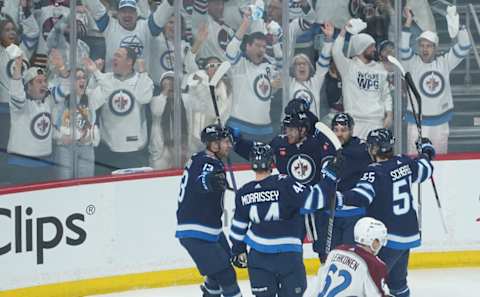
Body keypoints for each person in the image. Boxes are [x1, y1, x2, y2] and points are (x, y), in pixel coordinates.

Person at [335, 128, 436, 297]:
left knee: (369, 283)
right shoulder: (404, 162)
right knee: (398, 284)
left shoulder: (375, 171)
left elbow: (361, 197)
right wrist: (426, 151)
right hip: (409, 235)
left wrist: (338, 198)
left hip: (387, 237)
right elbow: (425, 169)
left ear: (375, 148)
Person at [229, 142, 338, 297]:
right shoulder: (285, 183)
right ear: (271, 162)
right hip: (288, 256)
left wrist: (237, 251)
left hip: (258, 258)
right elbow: (314, 201)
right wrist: (330, 176)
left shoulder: (243, 193)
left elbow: (237, 229)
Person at [175, 124, 243, 297]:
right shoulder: (208, 163)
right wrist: (209, 181)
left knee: (216, 274)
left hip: (210, 230)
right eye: (225, 141)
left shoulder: (200, 158)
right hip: (197, 232)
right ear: (213, 145)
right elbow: (202, 180)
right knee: (227, 275)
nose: (229, 145)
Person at [400, 7, 471, 154]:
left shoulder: (445, 62)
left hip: (440, 123)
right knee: (414, 162)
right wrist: (408, 23)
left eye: (429, 46)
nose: (425, 49)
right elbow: (403, 48)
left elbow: (464, 46)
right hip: (416, 123)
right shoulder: (412, 63)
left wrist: (458, 26)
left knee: (439, 162)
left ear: (435, 48)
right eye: (422, 46)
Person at [83, 47, 153, 174]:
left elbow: (145, 97)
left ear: (129, 62)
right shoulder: (105, 79)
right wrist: (96, 74)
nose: (114, 58)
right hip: (108, 148)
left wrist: (143, 72)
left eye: (119, 56)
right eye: (114, 55)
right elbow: (93, 103)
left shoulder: (141, 79)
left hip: (135, 148)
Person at [313, 113, 371, 263]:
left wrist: (338, 152)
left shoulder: (360, 149)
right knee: (327, 258)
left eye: (344, 129)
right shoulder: (325, 146)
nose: (339, 133)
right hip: (328, 212)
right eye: (336, 129)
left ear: (351, 130)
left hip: (353, 214)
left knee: (352, 259)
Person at [225, 9, 280, 142]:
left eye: (264, 47)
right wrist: (245, 23)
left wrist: (276, 42)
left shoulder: (268, 67)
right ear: (248, 46)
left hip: (266, 131)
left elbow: (284, 69)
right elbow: (231, 51)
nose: (261, 49)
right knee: (238, 164)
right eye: (257, 45)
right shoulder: (239, 65)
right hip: (239, 128)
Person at [332, 21, 393, 140]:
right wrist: (343, 31)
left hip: (376, 122)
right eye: (371, 46)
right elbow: (336, 52)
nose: (374, 49)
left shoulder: (379, 68)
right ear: (362, 47)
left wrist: (389, 114)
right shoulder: (348, 67)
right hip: (355, 122)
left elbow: (386, 94)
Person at [83, 0, 174, 72]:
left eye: (131, 11)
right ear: (117, 14)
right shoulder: (109, 25)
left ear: (136, 14)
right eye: (123, 11)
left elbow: (163, 13)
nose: (127, 15)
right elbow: (95, 6)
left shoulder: (146, 27)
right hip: (113, 82)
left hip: (140, 84)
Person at [311, 217, 390, 297]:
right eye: (380, 241)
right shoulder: (375, 265)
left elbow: (319, 282)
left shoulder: (336, 251)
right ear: (375, 242)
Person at [7, 60, 55, 184]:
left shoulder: (48, 102)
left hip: (45, 165)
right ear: (28, 86)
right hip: (21, 166)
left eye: (45, 81)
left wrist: (61, 68)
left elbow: (64, 88)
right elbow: (17, 95)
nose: (44, 84)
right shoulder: (20, 106)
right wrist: (17, 73)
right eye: (39, 82)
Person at [289, 21, 334, 118]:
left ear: (310, 68)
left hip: (311, 131)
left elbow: (323, 64)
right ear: (293, 69)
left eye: (304, 64)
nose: (301, 66)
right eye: (298, 64)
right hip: (292, 131)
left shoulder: (315, 83)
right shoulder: (288, 83)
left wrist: (328, 39)